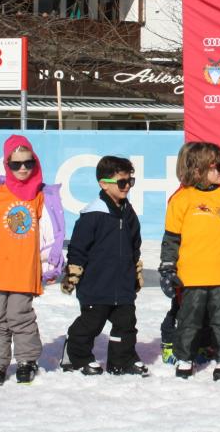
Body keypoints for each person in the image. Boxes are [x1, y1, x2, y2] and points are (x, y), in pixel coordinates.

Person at [0, 135, 66, 386]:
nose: (23, 169)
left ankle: (27, 360)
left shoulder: (41, 195)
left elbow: (51, 234)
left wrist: (51, 264)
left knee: (20, 314)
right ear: (6, 165)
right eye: (16, 164)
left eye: (28, 163)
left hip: (24, 269)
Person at [159, 141, 220, 381]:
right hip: (191, 277)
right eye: (218, 166)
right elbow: (171, 239)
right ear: (198, 169)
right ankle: (184, 358)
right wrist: (167, 267)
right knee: (188, 320)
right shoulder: (182, 199)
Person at [60, 156, 147, 377]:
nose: (127, 187)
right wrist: (73, 274)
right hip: (96, 284)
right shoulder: (93, 214)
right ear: (103, 184)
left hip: (123, 285)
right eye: (122, 182)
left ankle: (122, 360)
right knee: (91, 324)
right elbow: (78, 248)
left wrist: (135, 272)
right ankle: (76, 355)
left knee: (126, 324)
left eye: (130, 181)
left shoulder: (129, 213)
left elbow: (135, 245)